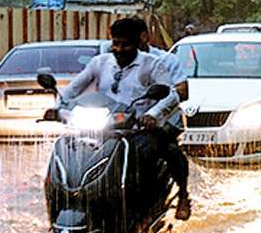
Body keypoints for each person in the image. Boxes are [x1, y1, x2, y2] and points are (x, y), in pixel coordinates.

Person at [59, 17, 192, 219]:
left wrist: (152, 115)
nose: (119, 49)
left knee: (167, 150)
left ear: (138, 43)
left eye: (125, 44)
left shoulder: (153, 64)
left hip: (138, 129)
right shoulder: (100, 62)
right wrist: (57, 107)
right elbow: (73, 88)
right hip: (105, 127)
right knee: (70, 147)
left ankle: (181, 195)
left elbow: (172, 94)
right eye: (116, 43)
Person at [136, 19, 192, 220]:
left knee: (169, 149)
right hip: (127, 122)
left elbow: (182, 90)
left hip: (164, 122)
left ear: (144, 37)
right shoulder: (112, 63)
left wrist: (156, 112)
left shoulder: (166, 60)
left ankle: (183, 195)